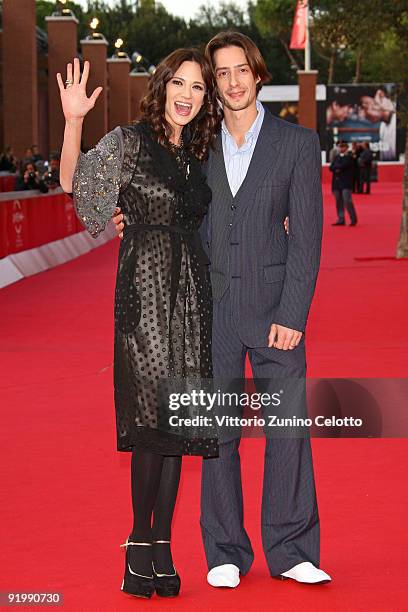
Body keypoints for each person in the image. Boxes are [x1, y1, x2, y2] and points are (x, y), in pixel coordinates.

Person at [113, 31, 331, 587]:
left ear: (258, 75)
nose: (232, 82)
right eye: (221, 74)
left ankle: (292, 548)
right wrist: (129, 219)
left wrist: (294, 313)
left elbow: (307, 240)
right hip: (208, 311)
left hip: (276, 309)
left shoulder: (297, 144)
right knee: (219, 435)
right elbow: (157, 198)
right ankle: (226, 550)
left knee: (287, 429)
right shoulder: (196, 147)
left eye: (241, 71)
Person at [57, 50, 221, 599]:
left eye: (198, 87)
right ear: (163, 86)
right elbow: (78, 188)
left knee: (176, 429)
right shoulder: (129, 141)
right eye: (180, 82)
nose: (188, 94)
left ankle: (163, 546)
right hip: (144, 294)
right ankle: (137, 542)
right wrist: (75, 120)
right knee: (150, 422)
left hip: (191, 299)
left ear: (205, 99)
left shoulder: (198, 154)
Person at [330, 141, 358, 226]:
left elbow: (346, 165)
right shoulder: (336, 157)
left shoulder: (349, 157)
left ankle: (353, 218)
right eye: (339, 147)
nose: (341, 148)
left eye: (343, 147)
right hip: (336, 183)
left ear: (346, 148)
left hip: (346, 182)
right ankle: (341, 218)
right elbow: (331, 167)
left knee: (347, 200)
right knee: (338, 201)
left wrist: (337, 168)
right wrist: (338, 168)